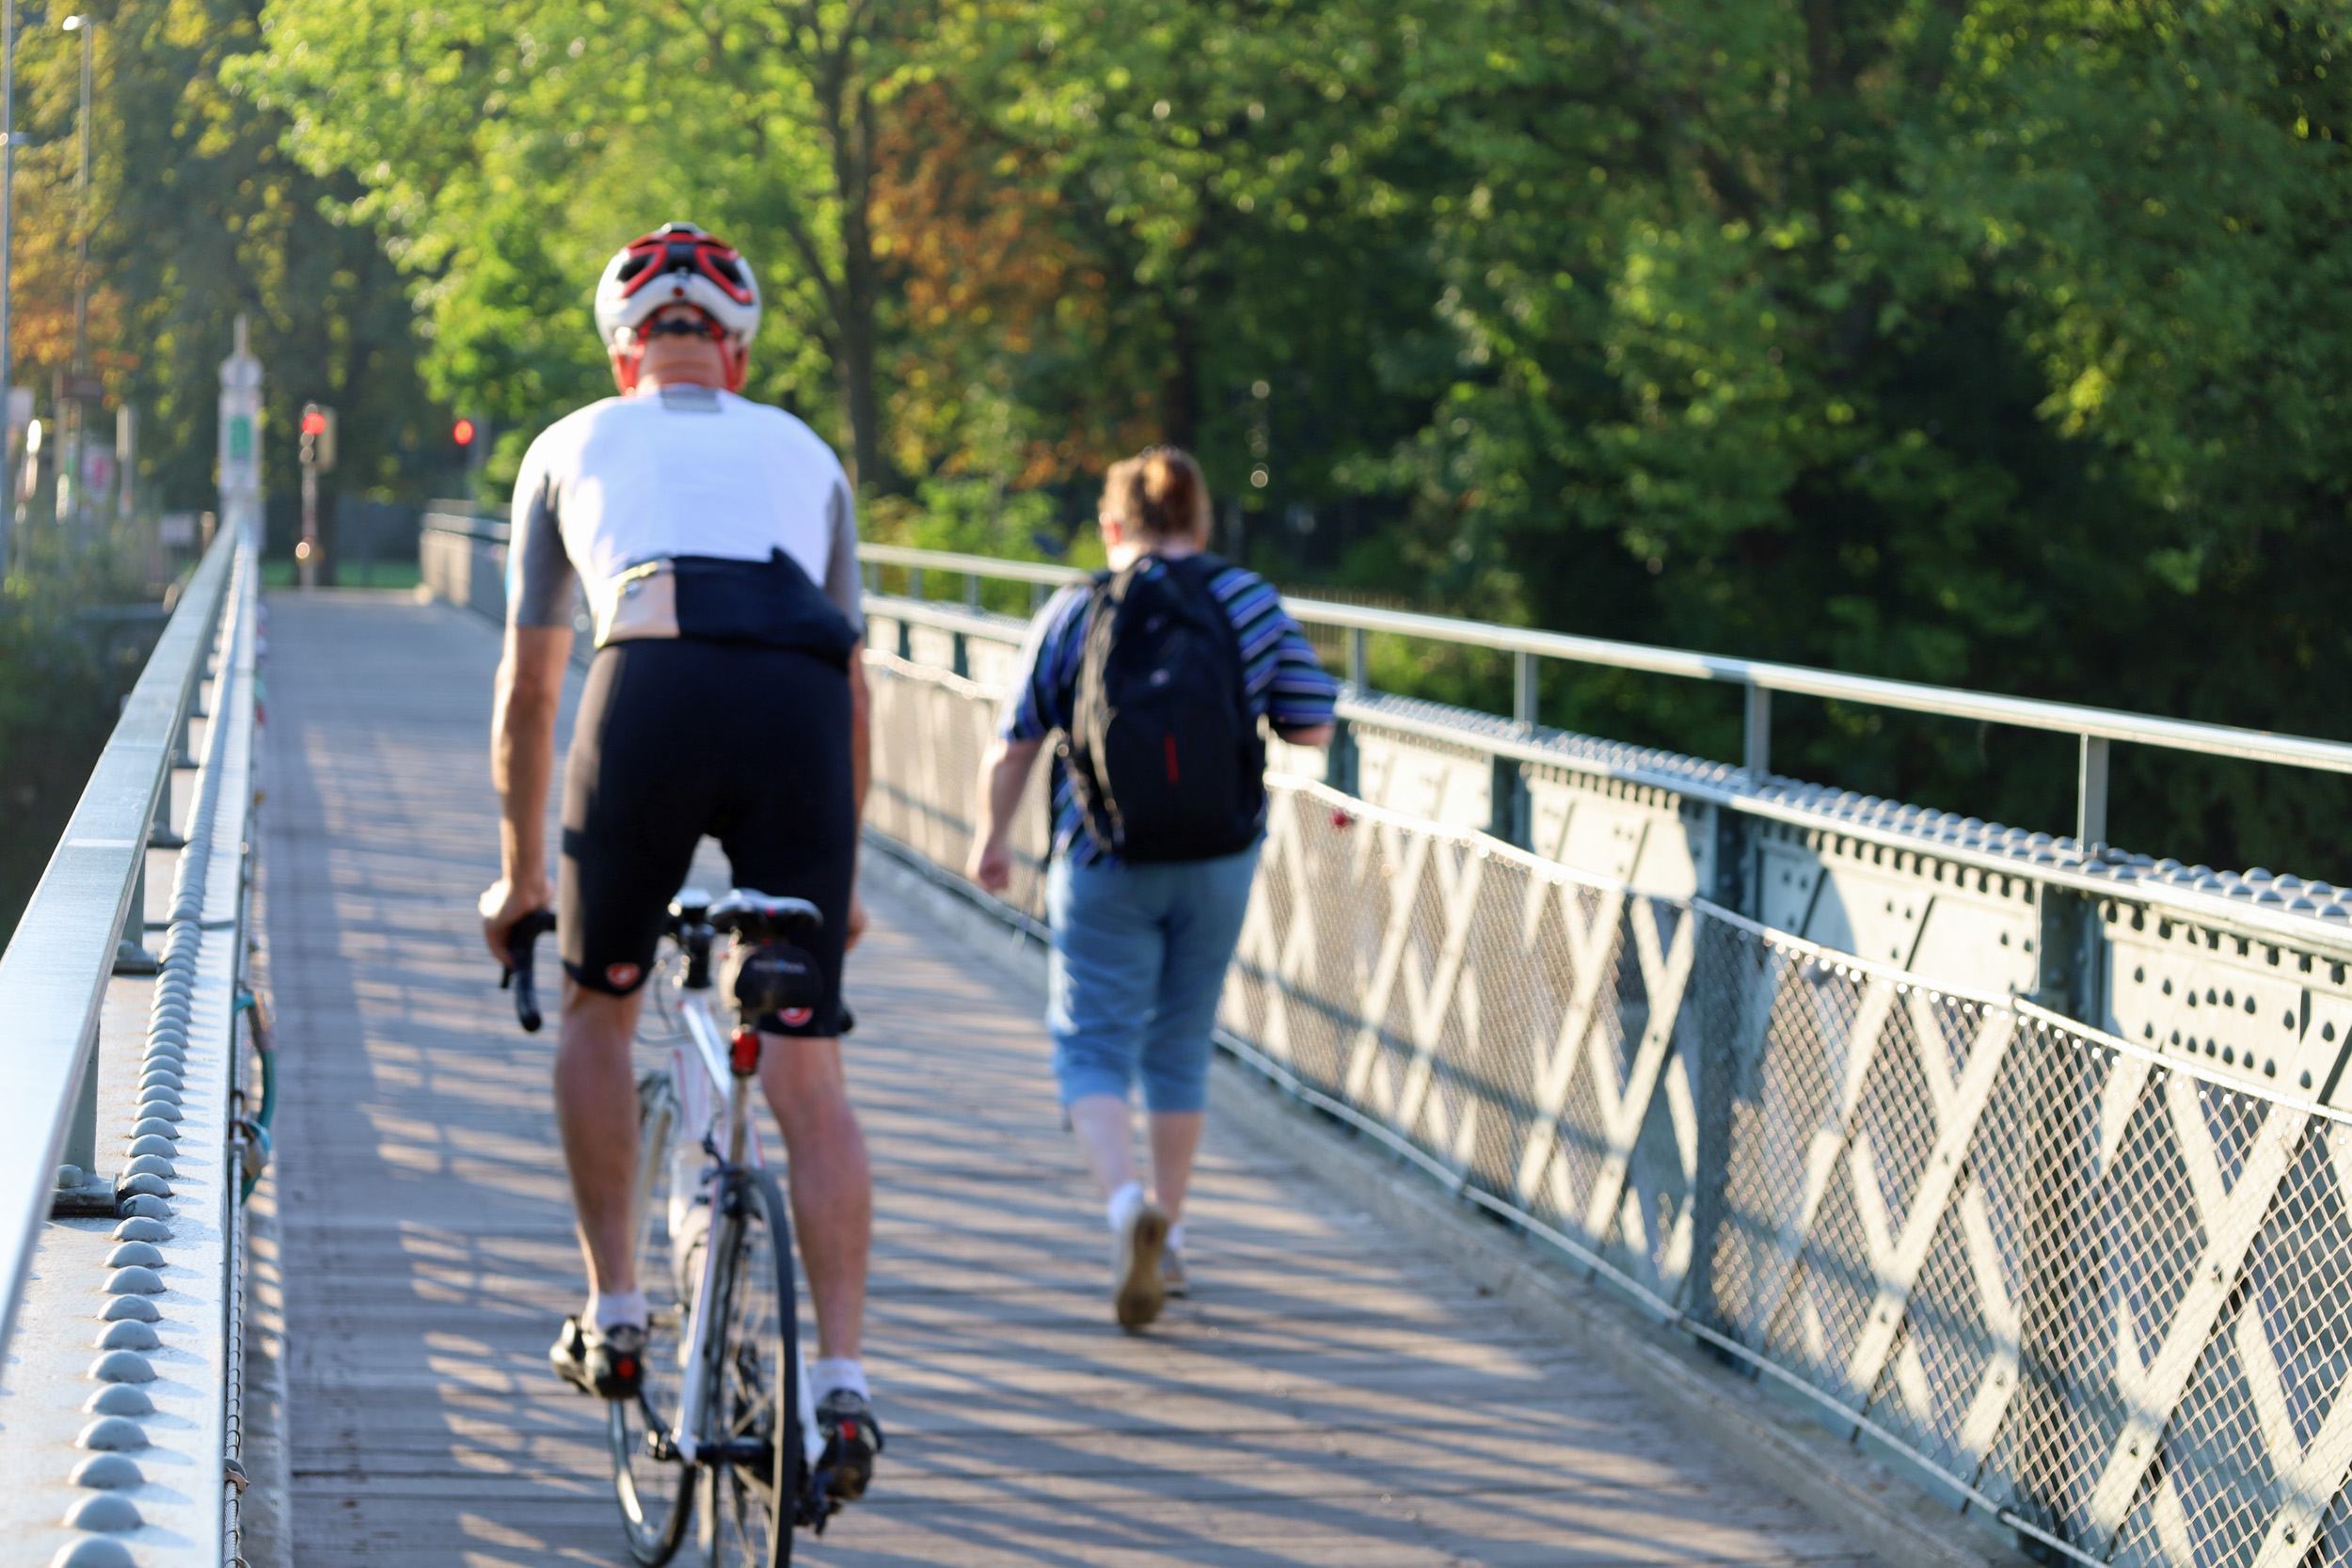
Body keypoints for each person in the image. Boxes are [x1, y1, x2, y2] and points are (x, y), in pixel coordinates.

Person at [476, 221, 882, 1499]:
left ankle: (616, 1309)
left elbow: (530, 690)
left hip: (645, 685)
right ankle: (844, 1386)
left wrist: (521, 878)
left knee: (602, 1010)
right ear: (740, 355)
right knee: (807, 1068)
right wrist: (848, 884)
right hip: (800, 714)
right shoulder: (809, 454)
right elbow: (855, 685)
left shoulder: (566, 447)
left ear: (623, 355)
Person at [966, 447, 1337, 1331]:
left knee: (1091, 1040)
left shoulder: (1075, 608)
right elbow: (1312, 723)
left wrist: (990, 839)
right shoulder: (1246, 598)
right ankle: (1169, 1237)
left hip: (1101, 859)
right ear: (1202, 522)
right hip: (1217, 859)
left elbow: (1015, 740)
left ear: (1112, 526)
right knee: (1178, 1042)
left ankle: (1127, 1199)